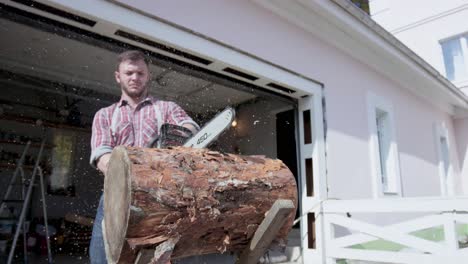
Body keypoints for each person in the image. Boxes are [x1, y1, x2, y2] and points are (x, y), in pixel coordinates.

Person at [89, 50, 199, 263]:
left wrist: (174, 138)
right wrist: (132, 171)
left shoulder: (166, 109)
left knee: (168, 257)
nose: (135, 78)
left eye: (140, 73)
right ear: (118, 76)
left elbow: (190, 128)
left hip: (162, 197)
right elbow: (102, 156)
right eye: (129, 73)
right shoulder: (105, 115)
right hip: (116, 197)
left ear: (148, 76)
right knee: (102, 257)